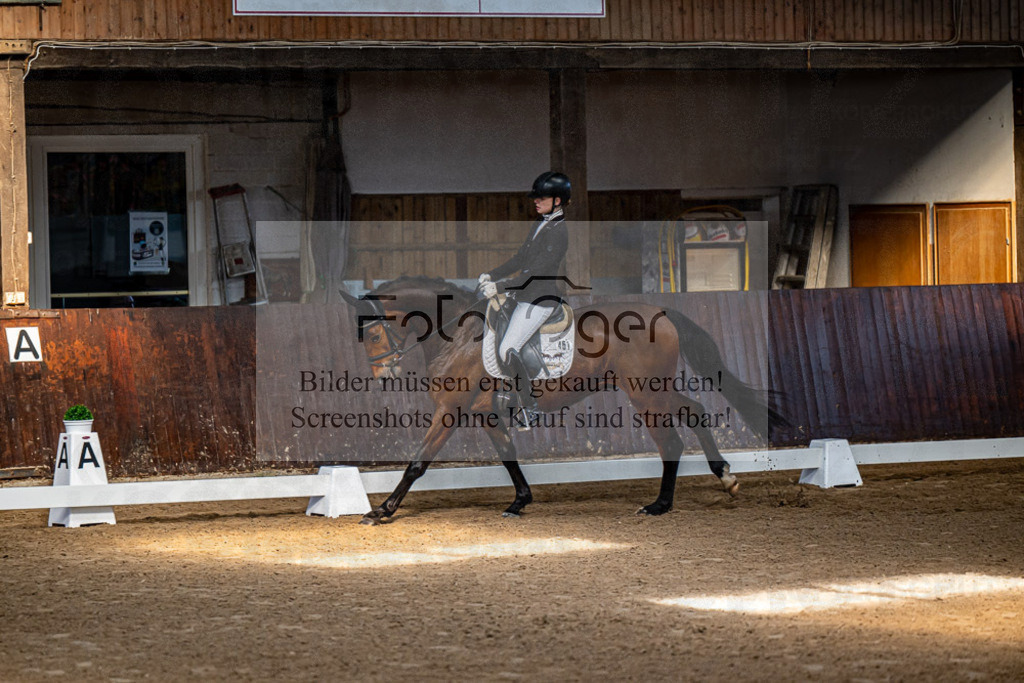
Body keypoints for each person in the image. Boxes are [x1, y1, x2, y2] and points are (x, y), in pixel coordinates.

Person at [479, 171, 571, 421]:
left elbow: (535, 273)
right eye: (536, 198)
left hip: (539, 300)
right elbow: (521, 259)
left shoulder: (558, 232)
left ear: (558, 201)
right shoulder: (541, 223)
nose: (536, 201)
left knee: (508, 348)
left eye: (542, 198)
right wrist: (492, 274)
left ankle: (530, 406)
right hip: (524, 296)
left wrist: (500, 287)